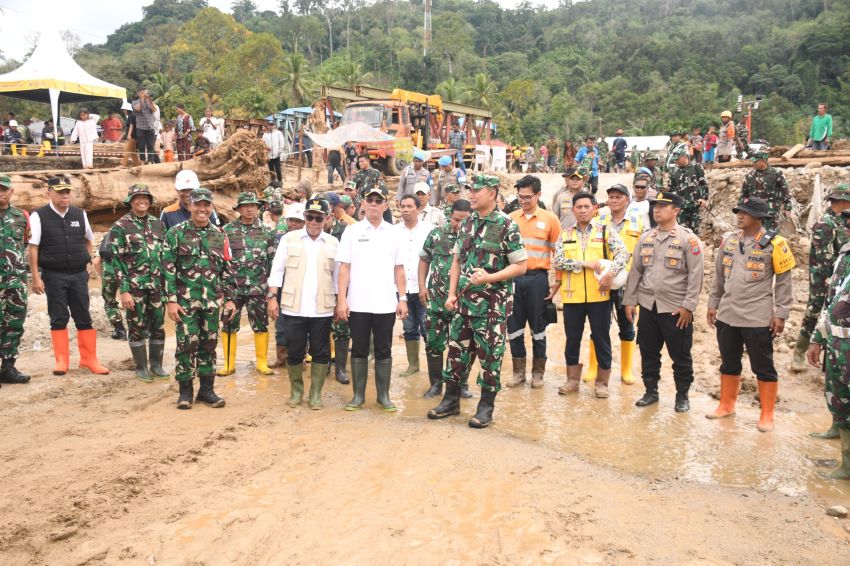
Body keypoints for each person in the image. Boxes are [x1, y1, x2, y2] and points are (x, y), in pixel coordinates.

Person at [427, 174, 527, 428]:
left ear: (492, 193)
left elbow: (521, 266)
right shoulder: (468, 222)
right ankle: (451, 401)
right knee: (456, 353)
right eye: (469, 189)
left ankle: (485, 408)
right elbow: (457, 262)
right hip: (463, 303)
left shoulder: (507, 225)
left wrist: (490, 277)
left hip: (492, 307)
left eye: (476, 190)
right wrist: (451, 295)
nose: (470, 194)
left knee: (490, 357)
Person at [706, 198, 794, 431]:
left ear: (759, 217)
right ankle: (726, 405)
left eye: (745, 212)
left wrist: (781, 313)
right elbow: (718, 276)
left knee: (763, 365)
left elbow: (784, 282)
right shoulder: (730, 241)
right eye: (738, 211)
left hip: (757, 315)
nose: (739, 215)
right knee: (729, 362)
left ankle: (767, 414)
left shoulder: (776, 243)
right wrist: (713, 303)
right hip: (728, 313)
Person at [623, 192, 703, 412]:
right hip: (648, 306)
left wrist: (688, 306)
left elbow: (696, 277)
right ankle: (651, 392)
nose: (656, 210)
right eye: (655, 206)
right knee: (648, 352)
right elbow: (636, 271)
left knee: (680, 355)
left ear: (675, 211)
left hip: (675, 309)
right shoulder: (646, 237)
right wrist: (629, 300)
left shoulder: (689, 239)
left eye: (662, 206)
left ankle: (682, 396)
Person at [335, 181, 408, 412]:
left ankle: (383, 396)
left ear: (386, 205)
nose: (374, 205)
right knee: (358, 349)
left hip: (385, 303)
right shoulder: (352, 231)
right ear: (363, 204)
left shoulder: (395, 233)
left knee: (384, 350)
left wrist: (403, 298)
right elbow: (344, 268)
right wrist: (342, 300)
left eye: (379, 201)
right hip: (358, 303)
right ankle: (358, 396)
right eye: (370, 201)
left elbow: (399, 268)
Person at [162, 188, 236, 410]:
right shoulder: (175, 233)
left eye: (207, 205)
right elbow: (167, 269)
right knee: (186, 345)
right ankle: (185, 391)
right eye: (198, 205)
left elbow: (227, 268)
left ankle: (206, 390)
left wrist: (230, 299)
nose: (202, 209)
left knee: (209, 345)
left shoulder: (220, 234)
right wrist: (171, 300)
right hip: (185, 303)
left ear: (212, 207)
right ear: (190, 206)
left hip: (212, 302)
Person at [28, 176, 109, 376]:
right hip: (54, 275)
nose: (65, 196)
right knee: (58, 316)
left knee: (83, 315)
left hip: (78, 275)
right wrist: (36, 277)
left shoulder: (79, 214)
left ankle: (89, 359)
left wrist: (88, 260)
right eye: (60, 192)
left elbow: (89, 240)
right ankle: (61, 360)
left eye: (67, 192)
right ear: (49, 193)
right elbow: (33, 248)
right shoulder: (39, 216)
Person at [553, 192, 628, 397]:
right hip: (572, 296)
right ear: (573, 210)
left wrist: (611, 273)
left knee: (602, 338)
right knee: (572, 338)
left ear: (594, 208)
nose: (583, 210)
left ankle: (602, 383)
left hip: (599, 296)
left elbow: (623, 253)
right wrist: (583, 264)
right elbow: (558, 261)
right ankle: (572, 380)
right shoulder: (565, 234)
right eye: (579, 207)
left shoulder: (605, 231)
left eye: (587, 206)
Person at [268, 197, 338, 409]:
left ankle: (315, 394)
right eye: (310, 217)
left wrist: (339, 302)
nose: (314, 222)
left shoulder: (333, 243)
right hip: (293, 307)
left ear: (327, 219)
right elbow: (277, 271)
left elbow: (337, 278)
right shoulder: (289, 239)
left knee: (321, 351)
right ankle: (296, 391)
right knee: (295, 350)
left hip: (322, 309)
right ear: (305, 217)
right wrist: (272, 298)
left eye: (319, 218)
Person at [503, 175, 561, 388]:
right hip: (514, 279)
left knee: (539, 326)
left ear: (538, 195)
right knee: (514, 326)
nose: (524, 201)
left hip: (538, 279)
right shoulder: (510, 219)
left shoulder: (550, 220)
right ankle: (518, 373)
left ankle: (538, 373)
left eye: (528, 197)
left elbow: (559, 254)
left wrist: (558, 283)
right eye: (521, 197)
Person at [109, 184, 169, 381]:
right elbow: (116, 261)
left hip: (157, 286)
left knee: (158, 325)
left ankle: (157, 365)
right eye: (137, 197)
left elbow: (166, 256)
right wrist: (124, 291)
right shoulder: (120, 226)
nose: (142, 201)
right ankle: (141, 367)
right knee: (136, 326)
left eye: (145, 197)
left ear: (150, 201)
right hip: (135, 287)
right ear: (130, 201)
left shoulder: (158, 224)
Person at [807, 210, 850, 477]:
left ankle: (847, 466)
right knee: (838, 397)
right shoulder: (844, 255)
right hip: (836, 341)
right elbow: (830, 298)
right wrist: (817, 337)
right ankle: (843, 452)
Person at [218, 192, 277, 378]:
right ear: (239, 209)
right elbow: (221, 260)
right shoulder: (226, 230)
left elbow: (272, 261)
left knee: (260, 324)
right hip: (233, 288)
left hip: (258, 288)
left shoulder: (267, 231)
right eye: (245, 205)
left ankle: (261, 363)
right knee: (229, 324)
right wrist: (222, 287)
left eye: (253, 205)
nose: (250, 209)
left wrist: (271, 291)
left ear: (258, 208)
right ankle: (228, 364)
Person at [418, 199, 473, 399]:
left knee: (462, 345)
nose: (457, 224)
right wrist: (422, 287)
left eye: (463, 221)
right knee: (433, 342)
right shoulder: (437, 234)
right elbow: (424, 260)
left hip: (464, 302)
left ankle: (462, 384)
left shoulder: (475, 237)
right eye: (455, 219)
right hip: (437, 299)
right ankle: (436, 384)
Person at [793, 184, 850, 372]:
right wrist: (832, 283)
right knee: (815, 311)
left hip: (839, 278)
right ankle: (799, 352)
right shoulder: (826, 223)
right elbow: (824, 258)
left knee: (835, 315)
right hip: (823, 277)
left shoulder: (842, 221)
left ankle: (827, 357)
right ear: (842, 201)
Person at [592, 184, 645, 385]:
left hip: (628, 282)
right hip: (602, 280)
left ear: (627, 200)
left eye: (618, 197)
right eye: (611, 197)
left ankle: (626, 370)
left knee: (627, 324)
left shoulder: (637, 223)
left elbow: (643, 253)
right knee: (598, 326)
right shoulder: (599, 221)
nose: (613, 200)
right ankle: (593, 368)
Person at [396, 194, 435, 377]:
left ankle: (433, 369)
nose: (405, 210)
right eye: (402, 206)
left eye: (409, 206)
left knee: (428, 327)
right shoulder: (393, 232)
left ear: (419, 209)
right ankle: (413, 365)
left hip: (424, 288)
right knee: (409, 328)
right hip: (402, 290)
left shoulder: (430, 231)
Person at [0, 175, 31, 385]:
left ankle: (8, 368)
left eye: (4, 190)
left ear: (11, 192)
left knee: (14, 324)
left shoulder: (21, 216)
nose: (1, 194)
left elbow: (25, 243)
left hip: (16, 282)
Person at [739, 149, 791, 233]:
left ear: (763, 161)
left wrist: (787, 205)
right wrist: (741, 208)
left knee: (770, 234)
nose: (753, 163)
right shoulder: (750, 176)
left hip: (770, 211)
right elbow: (744, 193)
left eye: (755, 161)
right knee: (754, 233)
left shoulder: (776, 173)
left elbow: (784, 189)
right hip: (754, 210)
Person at [667, 146, 708, 234]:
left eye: (677, 159)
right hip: (680, 207)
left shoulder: (696, 167)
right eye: (675, 160)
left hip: (695, 204)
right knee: (680, 231)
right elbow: (671, 189)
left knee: (694, 231)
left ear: (685, 157)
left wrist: (704, 198)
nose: (676, 161)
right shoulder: (674, 172)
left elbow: (703, 183)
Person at [132, 87, 159, 164]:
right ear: (139, 93)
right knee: (141, 145)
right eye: (144, 92)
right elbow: (138, 109)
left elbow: (154, 109)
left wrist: (149, 100)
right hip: (140, 127)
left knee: (150, 145)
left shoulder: (149, 101)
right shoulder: (135, 102)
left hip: (150, 126)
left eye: (146, 92)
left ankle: (150, 161)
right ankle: (142, 161)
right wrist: (142, 99)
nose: (146, 94)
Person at [119, 103, 141, 167]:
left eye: (124, 110)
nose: (123, 111)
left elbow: (132, 125)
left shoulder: (132, 116)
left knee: (127, 150)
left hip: (133, 136)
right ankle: (137, 164)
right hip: (133, 135)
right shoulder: (131, 116)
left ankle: (123, 164)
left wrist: (129, 135)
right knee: (132, 151)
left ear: (126, 110)